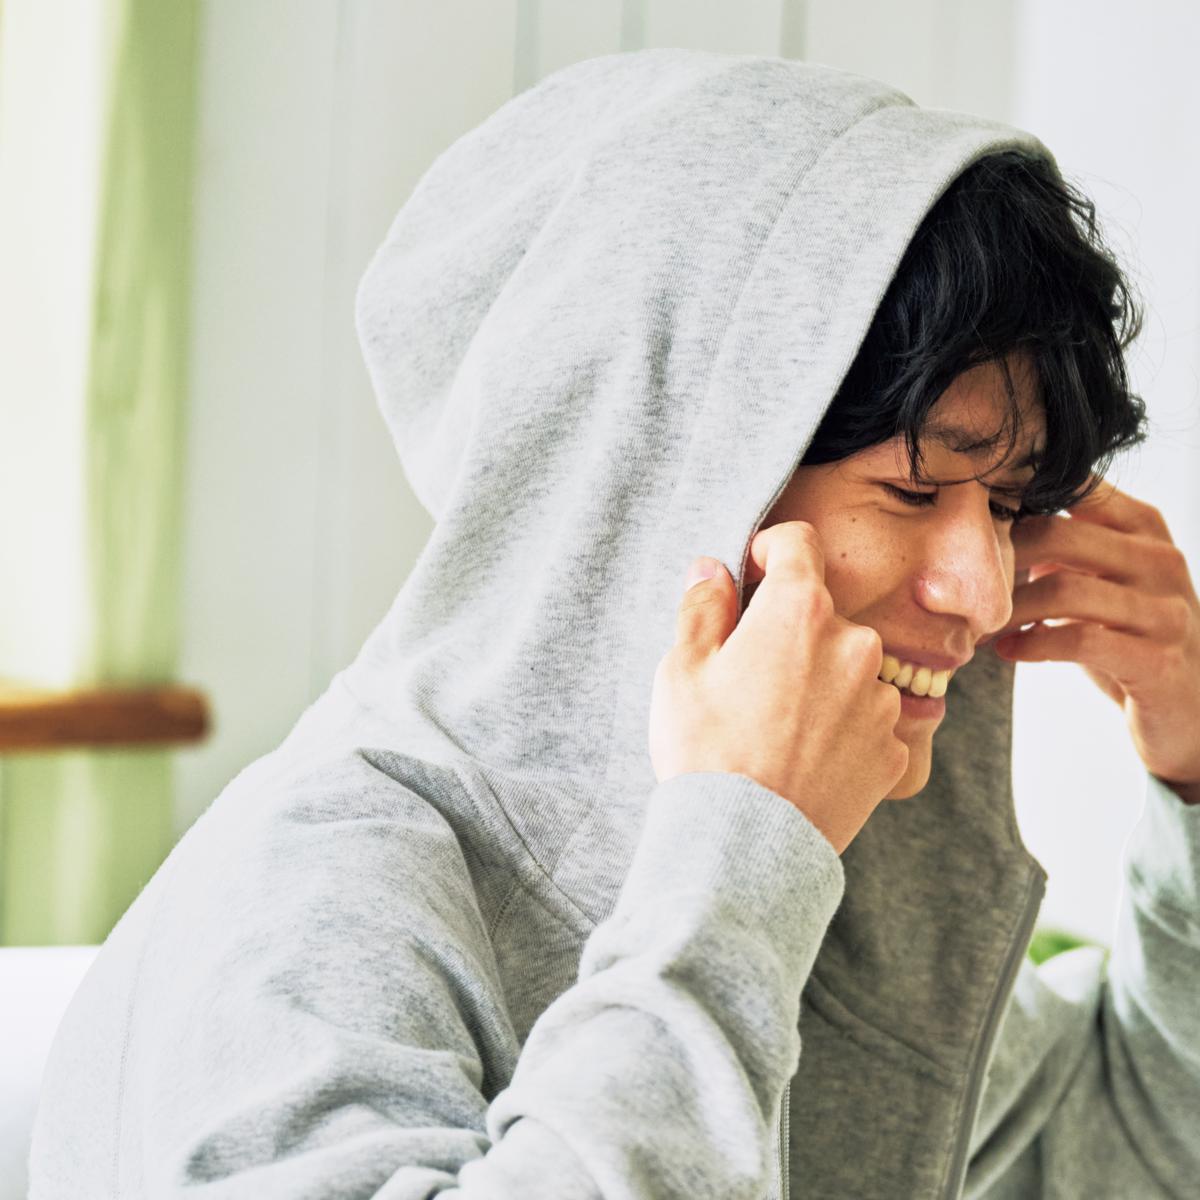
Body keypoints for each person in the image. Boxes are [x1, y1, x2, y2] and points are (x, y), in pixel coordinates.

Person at [29, 47, 1200, 1198]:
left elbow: (1126, 1158)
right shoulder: (306, 904)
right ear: (654, 484)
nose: (986, 593)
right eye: (912, 489)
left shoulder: (805, 875)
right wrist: (740, 875)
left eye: (1007, 507)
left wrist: (1195, 761)